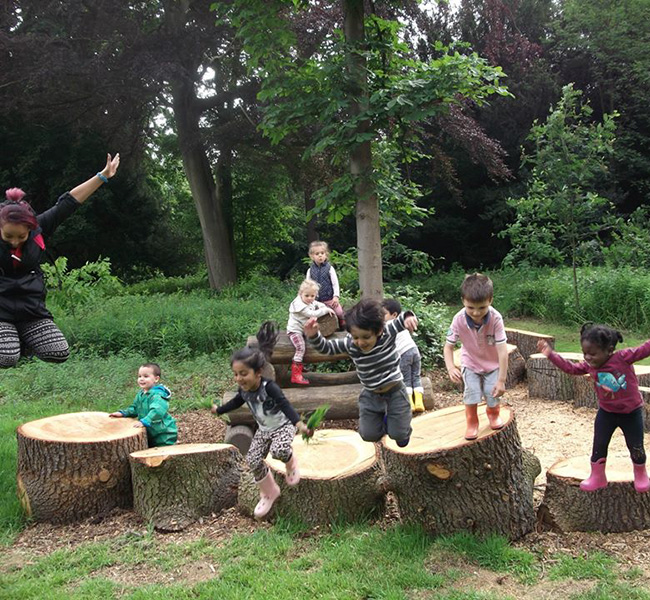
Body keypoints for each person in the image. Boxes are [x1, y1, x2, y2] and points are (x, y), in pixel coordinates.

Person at [0, 154, 120, 368]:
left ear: (30, 229)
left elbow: (69, 202)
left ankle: (20, 341)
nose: (15, 242)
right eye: (8, 237)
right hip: (1, 311)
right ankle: (10, 342)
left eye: (21, 236)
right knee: (6, 357)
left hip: (31, 310)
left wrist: (102, 176)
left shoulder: (40, 230)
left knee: (58, 352)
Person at [537, 324, 650, 493]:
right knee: (599, 444)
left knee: (635, 446)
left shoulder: (623, 357)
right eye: (585, 353)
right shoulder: (590, 365)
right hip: (607, 413)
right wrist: (551, 355)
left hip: (631, 413)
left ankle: (640, 475)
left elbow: (644, 350)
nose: (588, 357)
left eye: (593, 353)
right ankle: (598, 476)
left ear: (609, 350)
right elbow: (571, 368)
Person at [211, 335, 313, 519]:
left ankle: (291, 464)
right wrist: (219, 410)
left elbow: (285, 404)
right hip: (264, 430)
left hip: (283, 426)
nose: (239, 379)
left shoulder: (269, 387)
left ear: (258, 372)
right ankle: (269, 491)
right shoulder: (244, 391)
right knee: (252, 459)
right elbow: (235, 402)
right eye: (235, 374)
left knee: (279, 451)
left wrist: (298, 423)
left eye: (244, 374)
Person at [305, 298, 417, 447]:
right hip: (371, 394)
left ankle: (398, 427)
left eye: (366, 337)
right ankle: (386, 420)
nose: (360, 342)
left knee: (400, 437)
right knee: (368, 435)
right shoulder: (351, 344)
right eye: (356, 337)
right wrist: (313, 336)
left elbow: (402, 319)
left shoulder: (388, 333)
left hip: (395, 391)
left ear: (378, 331)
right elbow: (327, 348)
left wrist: (409, 317)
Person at [443, 273, 508, 441]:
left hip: (492, 365)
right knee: (471, 394)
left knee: (492, 393)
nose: (476, 313)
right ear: (463, 300)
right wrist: (450, 367)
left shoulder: (496, 319)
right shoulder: (458, 319)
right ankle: (472, 422)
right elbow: (448, 346)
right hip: (470, 364)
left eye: (482, 308)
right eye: (470, 308)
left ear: (490, 300)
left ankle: (493, 414)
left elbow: (502, 351)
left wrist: (501, 380)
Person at [110, 362, 178, 447]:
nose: (141, 379)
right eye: (139, 376)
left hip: (163, 433)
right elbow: (135, 408)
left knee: (162, 454)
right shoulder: (141, 394)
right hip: (150, 431)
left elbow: (157, 411)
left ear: (156, 379)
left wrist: (146, 421)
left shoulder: (157, 395)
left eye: (146, 376)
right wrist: (123, 413)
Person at [287, 279, 335, 385]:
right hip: (295, 330)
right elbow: (311, 313)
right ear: (301, 294)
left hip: (304, 329)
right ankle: (296, 374)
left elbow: (318, 304)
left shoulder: (311, 301)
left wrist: (324, 306)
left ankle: (301, 366)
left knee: (311, 343)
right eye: (307, 295)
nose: (310, 298)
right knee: (300, 347)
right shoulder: (298, 304)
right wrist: (326, 310)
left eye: (312, 296)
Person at [382, 298, 424, 413]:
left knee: (405, 379)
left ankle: (410, 402)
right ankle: (419, 401)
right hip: (414, 351)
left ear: (394, 314)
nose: (381, 317)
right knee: (416, 377)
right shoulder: (403, 323)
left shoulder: (390, 325)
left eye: (384, 314)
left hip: (403, 353)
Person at [305, 240, 345, 327]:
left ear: (326, 254)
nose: (320, 255)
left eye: (322, 253)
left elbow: (335, 283)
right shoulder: (310, 270)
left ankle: (341, 321)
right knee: (310, 314)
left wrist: (336, 296)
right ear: (312, 256)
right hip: (315, 300)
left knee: (339, 312)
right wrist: (307, 297)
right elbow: (307, 286)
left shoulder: (329, 268)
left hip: (329, 298)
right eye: (317, 254)